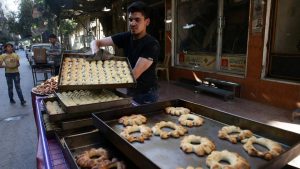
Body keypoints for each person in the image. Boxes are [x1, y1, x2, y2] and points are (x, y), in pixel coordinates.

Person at [91, 1, 160, 105]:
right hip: (131, 90)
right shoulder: (127, 37)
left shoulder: (151, 44)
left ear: (147, 22)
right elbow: (95, 42)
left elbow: (133, 75)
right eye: (130, 20)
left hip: (147, 93)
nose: (132, 23)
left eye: (137, 20)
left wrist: (102, 77)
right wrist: (97, 54)